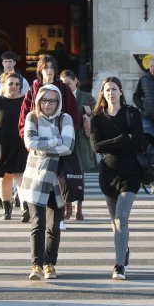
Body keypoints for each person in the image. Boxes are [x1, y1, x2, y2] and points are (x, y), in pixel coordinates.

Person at [90, 77, 146, 279]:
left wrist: (114, 143)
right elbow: (97, 147)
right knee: (115, 223)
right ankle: (124, 250)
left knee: (121, 219)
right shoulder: (97, 118)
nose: (111, 93)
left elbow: (139, 142)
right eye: (107, 90)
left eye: (114, 89)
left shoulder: (132, 113)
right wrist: (124, 138)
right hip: (108, 175)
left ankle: (119, 265)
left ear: (121, 92)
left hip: (131, 174)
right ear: (103, 94)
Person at [19, 84, 74, 281]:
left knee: (54, 226)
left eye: (52, 100)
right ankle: (36, 264)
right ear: (38, 101)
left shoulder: (65, 118)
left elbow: (68, 146)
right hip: (36, 177)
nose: (47, 104)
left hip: (58, 180)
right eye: (44, 100)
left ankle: (50, 263)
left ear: (58, 102)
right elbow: (30, 144)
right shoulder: (32, 117)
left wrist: (44, 144)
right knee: (37, 223)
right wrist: (54, 141)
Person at [18, 56, 82, 220]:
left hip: (60, 147)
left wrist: (67, 135)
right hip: (38, 148)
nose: (48, 69)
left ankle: (61, 214)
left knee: (61, 181)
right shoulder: (33, 89)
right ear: (40, 69)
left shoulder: (64, 89)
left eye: (51, 66)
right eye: (45, 66)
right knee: (37, 183)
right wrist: (30, 141)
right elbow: (24, 117)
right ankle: (32, 210)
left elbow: (73, 116)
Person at [0, 72, 29, 221]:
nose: (14, 87)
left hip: (22, 145)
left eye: (17, 84)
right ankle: (7, 208)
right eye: (10, 84)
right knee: (5, 177)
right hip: (1, 145)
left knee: (21, 176)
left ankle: (25, 207)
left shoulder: (25, 102)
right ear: (3, 85)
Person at [60, 69, 97, 220]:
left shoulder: (87, 97)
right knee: (66, 174)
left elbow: (97, 114)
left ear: (75, 81)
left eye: (68, 83)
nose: (66, 86)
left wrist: (89, 115)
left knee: (79, 175)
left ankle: (79, 207)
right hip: (65, 139)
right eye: (63, 84)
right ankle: (67, 205)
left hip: (81, 139)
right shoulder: (60, 96)